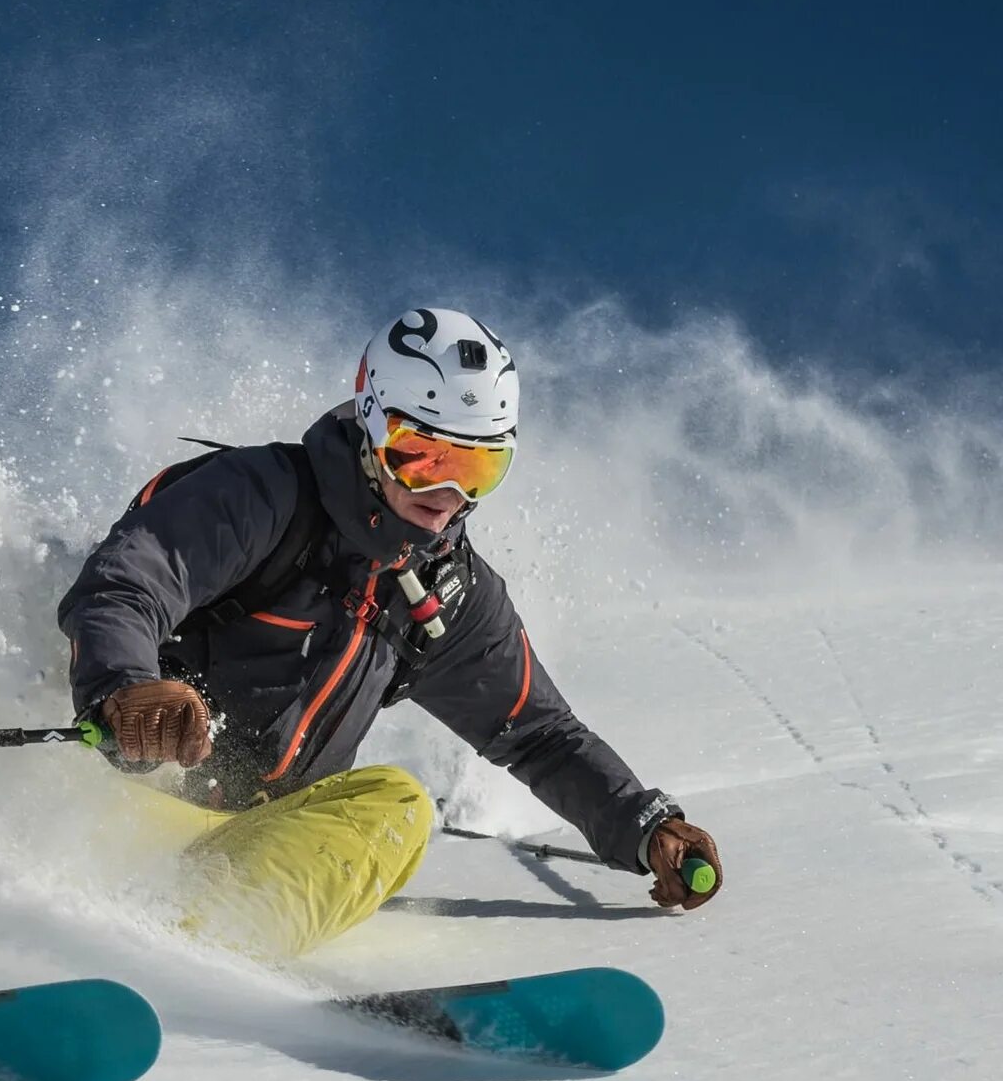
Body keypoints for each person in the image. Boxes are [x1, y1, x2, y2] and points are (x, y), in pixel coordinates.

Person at [57, 307, 722, 958]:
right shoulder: (265, 496)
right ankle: (180, 942)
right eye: (423, 458)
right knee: (396, 801)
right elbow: (125, 585)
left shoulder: (447, 597)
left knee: (395, 805)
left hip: (250, 841)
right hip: (132, 794)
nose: (448, 494)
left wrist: (644, 825)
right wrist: (128, 687)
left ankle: (210, 938)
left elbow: (539, 734)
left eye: (480, 468)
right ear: (373, 427)